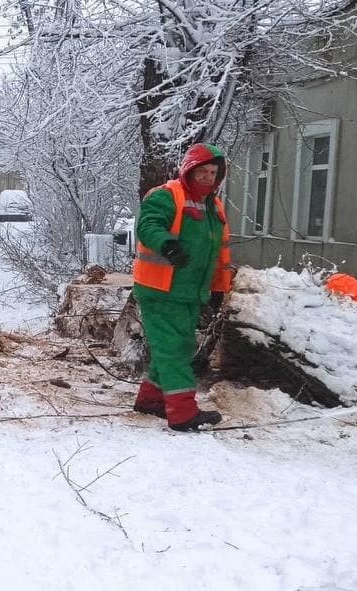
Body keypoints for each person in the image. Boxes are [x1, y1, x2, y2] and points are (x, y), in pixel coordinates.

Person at [130, 143, 233, 432]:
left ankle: (151, 400)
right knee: (174, 348)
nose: (208, 178)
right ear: (189, 170)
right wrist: (168, 244)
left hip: (188, 292)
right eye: (202, 171)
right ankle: (183, 412)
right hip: (160, 289)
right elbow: (148, 225)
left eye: (213, 172)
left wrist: (216, 289)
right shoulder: (166, 196)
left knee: (179, 346)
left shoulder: (214, 206)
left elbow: (218, 253)